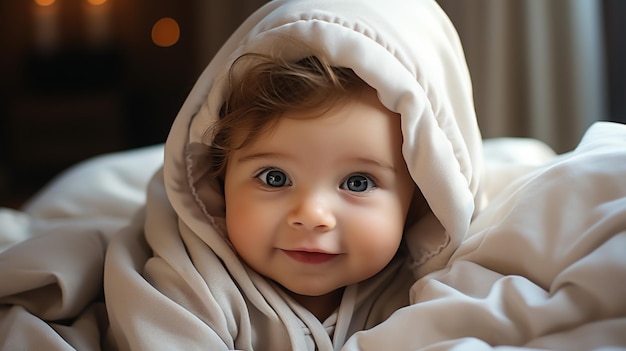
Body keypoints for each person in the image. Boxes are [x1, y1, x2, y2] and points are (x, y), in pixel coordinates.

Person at [104, 0, 484, 349]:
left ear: (420, 197)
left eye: (357, 183)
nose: (311, 215)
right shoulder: (184, 283)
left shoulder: (437, 293)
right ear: (219, 178)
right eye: (274, 177)